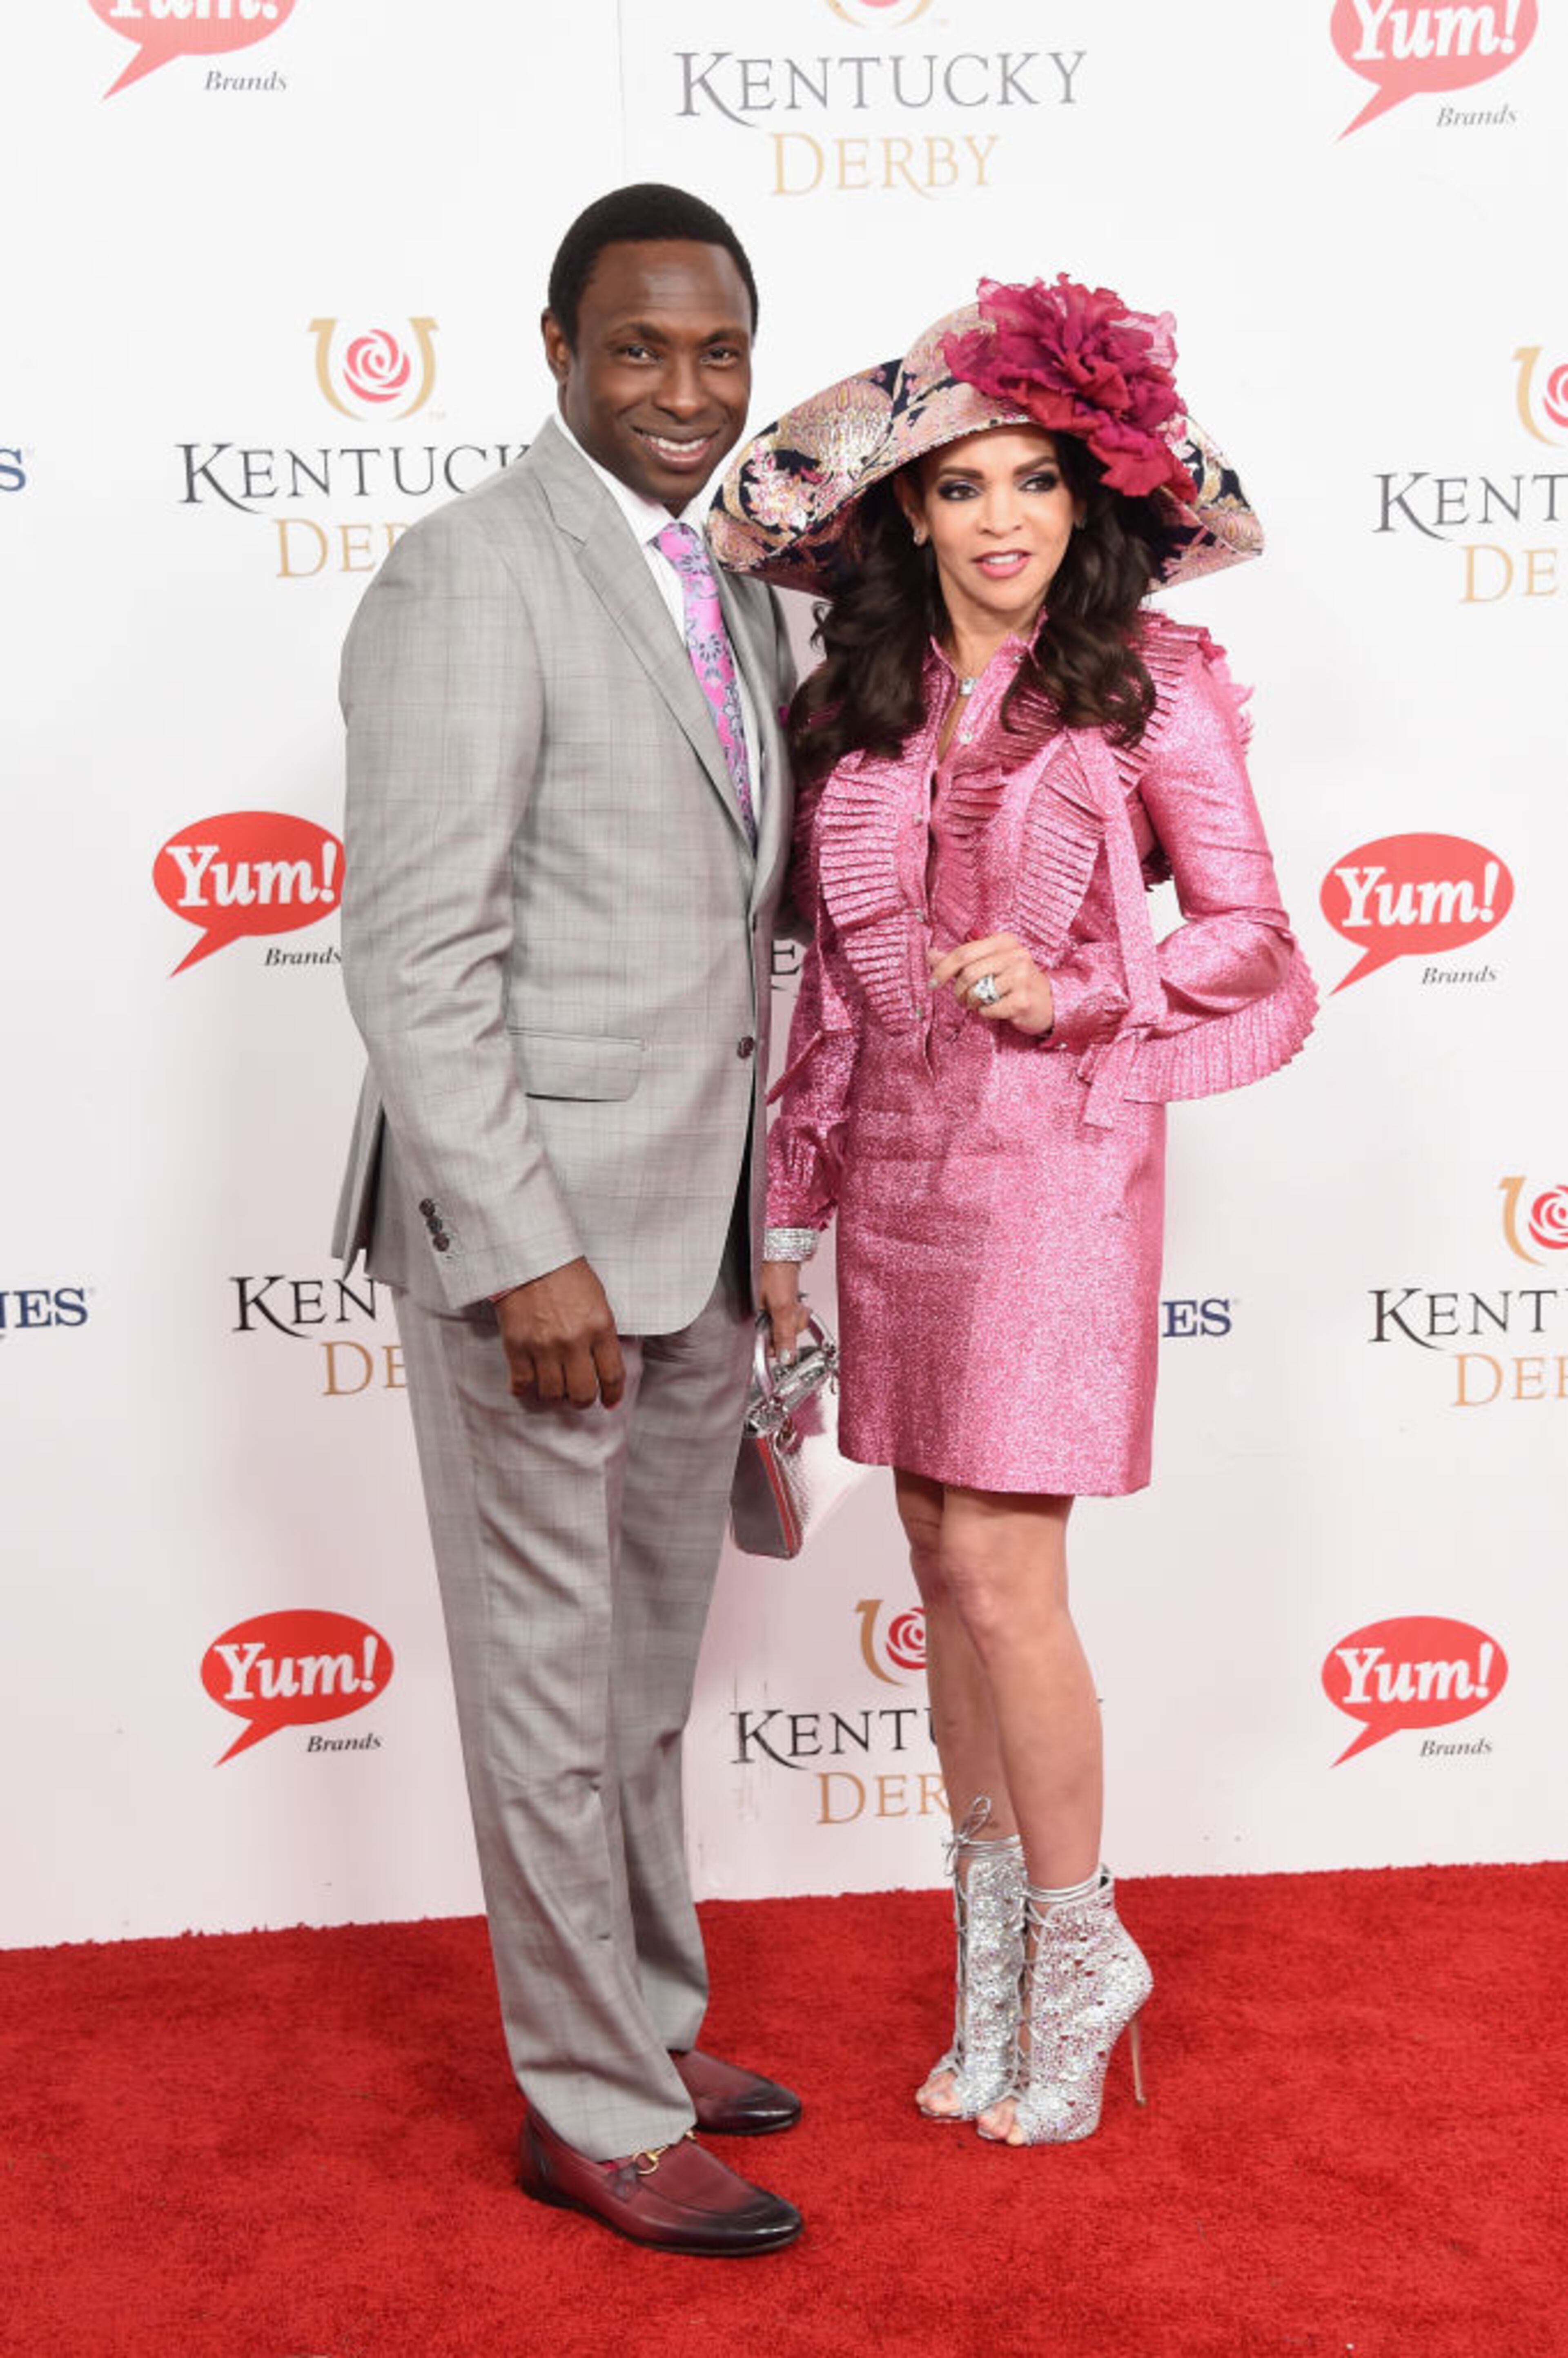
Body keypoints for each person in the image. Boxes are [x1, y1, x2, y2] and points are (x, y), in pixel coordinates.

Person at [711, 274, 1316, 2146]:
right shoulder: (862, 702)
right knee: (935, 1574)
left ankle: (1078, 1952)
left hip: (1056, 1165)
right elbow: (824, 989)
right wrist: (789, 1228)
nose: (1000, 522)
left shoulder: (1157, 692)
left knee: (1004, 1577)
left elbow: (1255, 940)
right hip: (891, 1168)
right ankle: (989, 1972)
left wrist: (1074, 990)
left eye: (1037, 482)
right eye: (961, 487)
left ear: (1092, 505)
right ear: (906, 513)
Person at [333, 185, 803, 2255]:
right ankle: (589, 2103)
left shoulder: (747, 590)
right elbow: (420, 948)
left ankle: (648, 2014)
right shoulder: (468, 575)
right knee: (544, 1672)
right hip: (541, 1240)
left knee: (636, 1677)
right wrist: (521, 1244)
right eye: (638, 350)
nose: (683, 391)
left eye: (716, 352)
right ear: (553, 348)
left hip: (696, 1225)